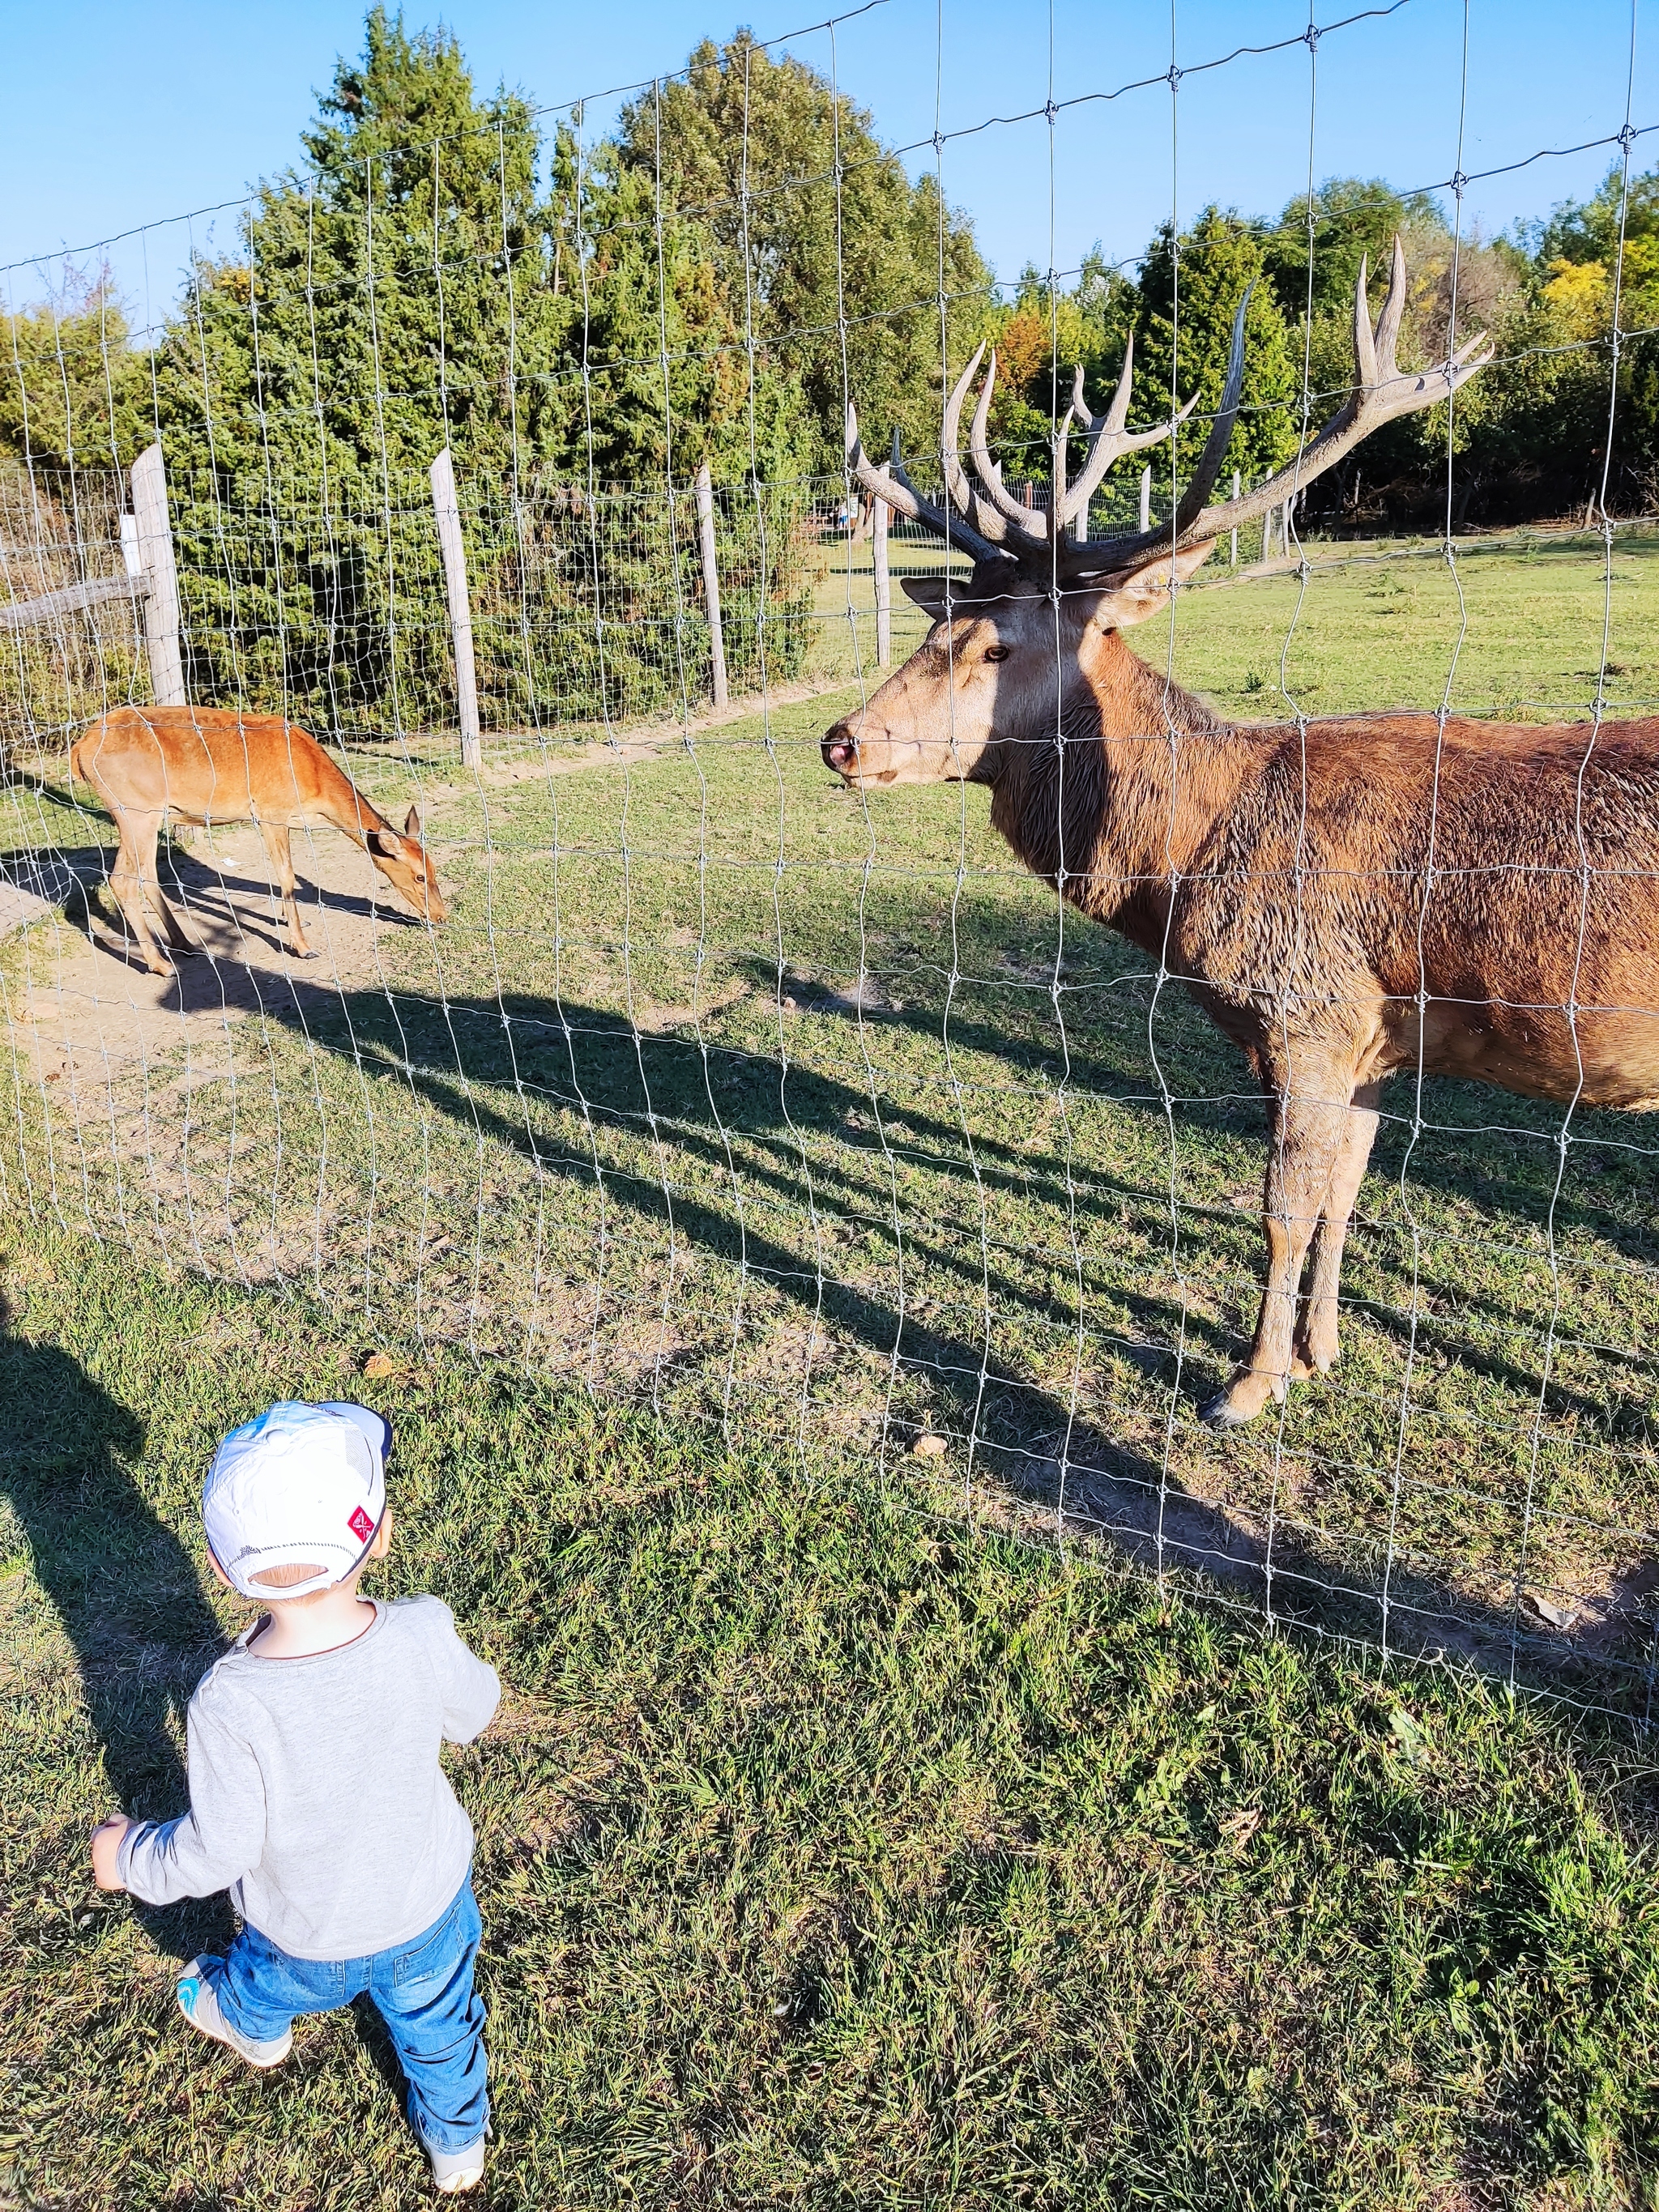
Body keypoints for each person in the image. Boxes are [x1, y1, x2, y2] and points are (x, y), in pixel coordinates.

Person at [89, 1400, 500, 2196]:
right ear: (377, 1534)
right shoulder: (420, 1632)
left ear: (217, 1565)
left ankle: (253, 2027)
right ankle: (457, 2151)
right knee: (440, 2032)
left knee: (258, 1982)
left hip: (304, 1938)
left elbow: (220, 1850)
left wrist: (128, 1855)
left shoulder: (229, 1700)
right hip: (429, 1910)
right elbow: (476, 1712)